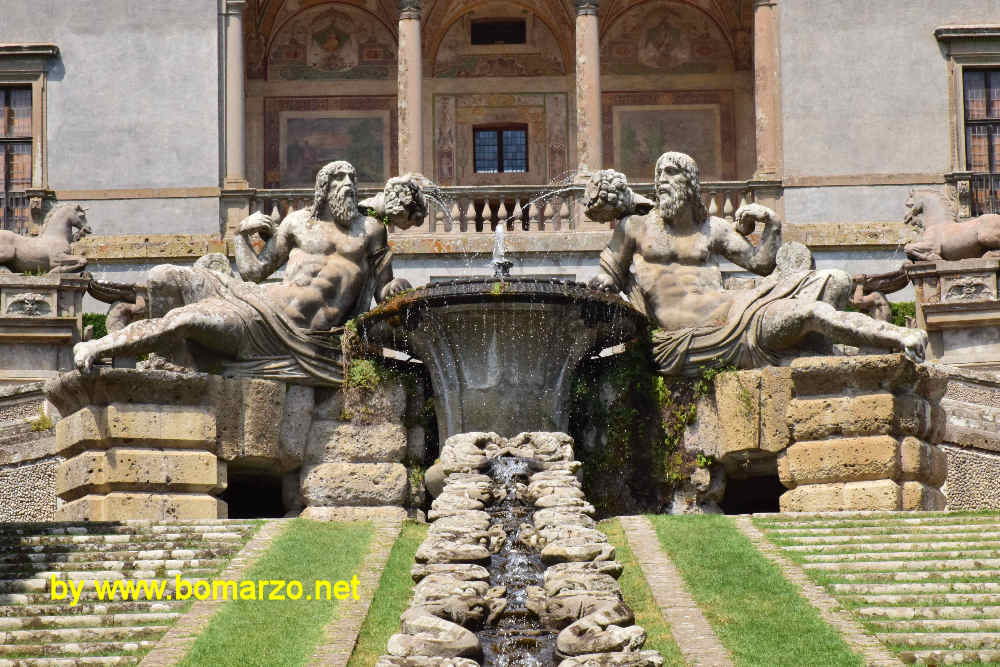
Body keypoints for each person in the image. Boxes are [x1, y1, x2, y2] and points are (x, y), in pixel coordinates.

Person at [72, 161, 424, 384]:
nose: (347, 183)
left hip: (303, 333)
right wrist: (242, 233)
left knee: (187, 320)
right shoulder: (296, 224)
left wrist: (397, 287)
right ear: (323, 188)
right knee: (166, 276)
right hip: (260, 306)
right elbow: (254, 272)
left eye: (352, 177)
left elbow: (384, 291)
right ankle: (145, 355)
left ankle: (99, 346)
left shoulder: (370, 231)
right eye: (338, 178)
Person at [586, 152, 927, 375]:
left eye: (672, 174)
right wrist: (603, 282)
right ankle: (898, 338)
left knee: (837, 278)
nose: (662, 180)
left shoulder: (713, 229)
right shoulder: (636, 226)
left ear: (691, 185)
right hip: (699, 334)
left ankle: (821, 346)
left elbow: (762, 265)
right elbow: (608, 275)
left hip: (737, 307)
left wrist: (772, 225)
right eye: (659, 174)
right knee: (810, 313)